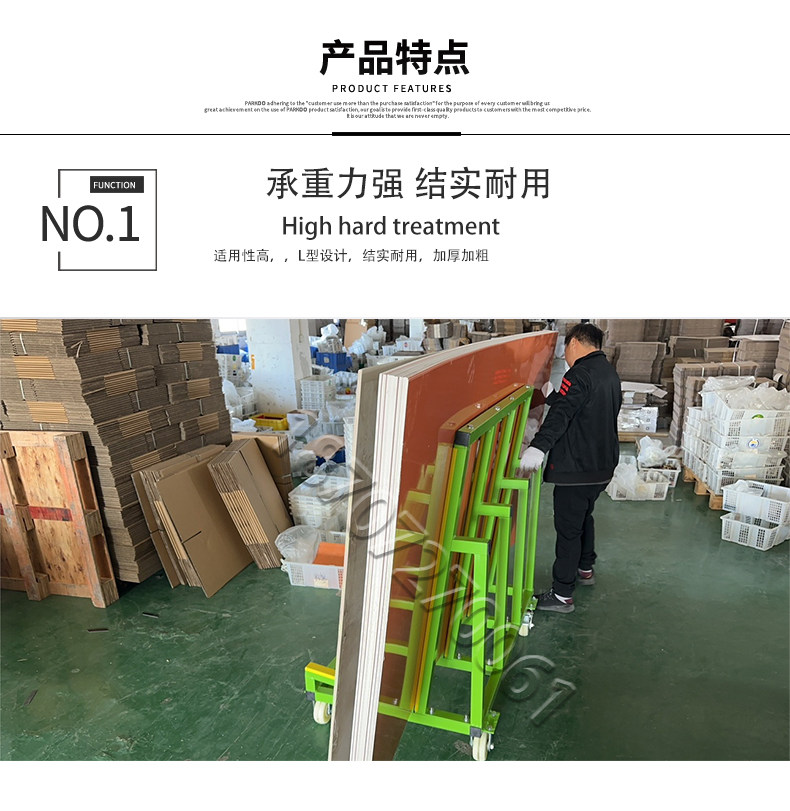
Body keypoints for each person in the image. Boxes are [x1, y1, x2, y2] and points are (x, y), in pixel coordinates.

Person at [518, 322, 622, 613]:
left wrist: (538, 446)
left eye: (566, 348)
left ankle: (562, 593)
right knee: (583, 517)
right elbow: (587, 409)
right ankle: (585, 567)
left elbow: (563, 414)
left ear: (575, 343)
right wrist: (554, 396)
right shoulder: (608, 372)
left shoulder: (579, 374)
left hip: (576, 468)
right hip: (601, 467)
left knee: (568, 530)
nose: (565, 355)